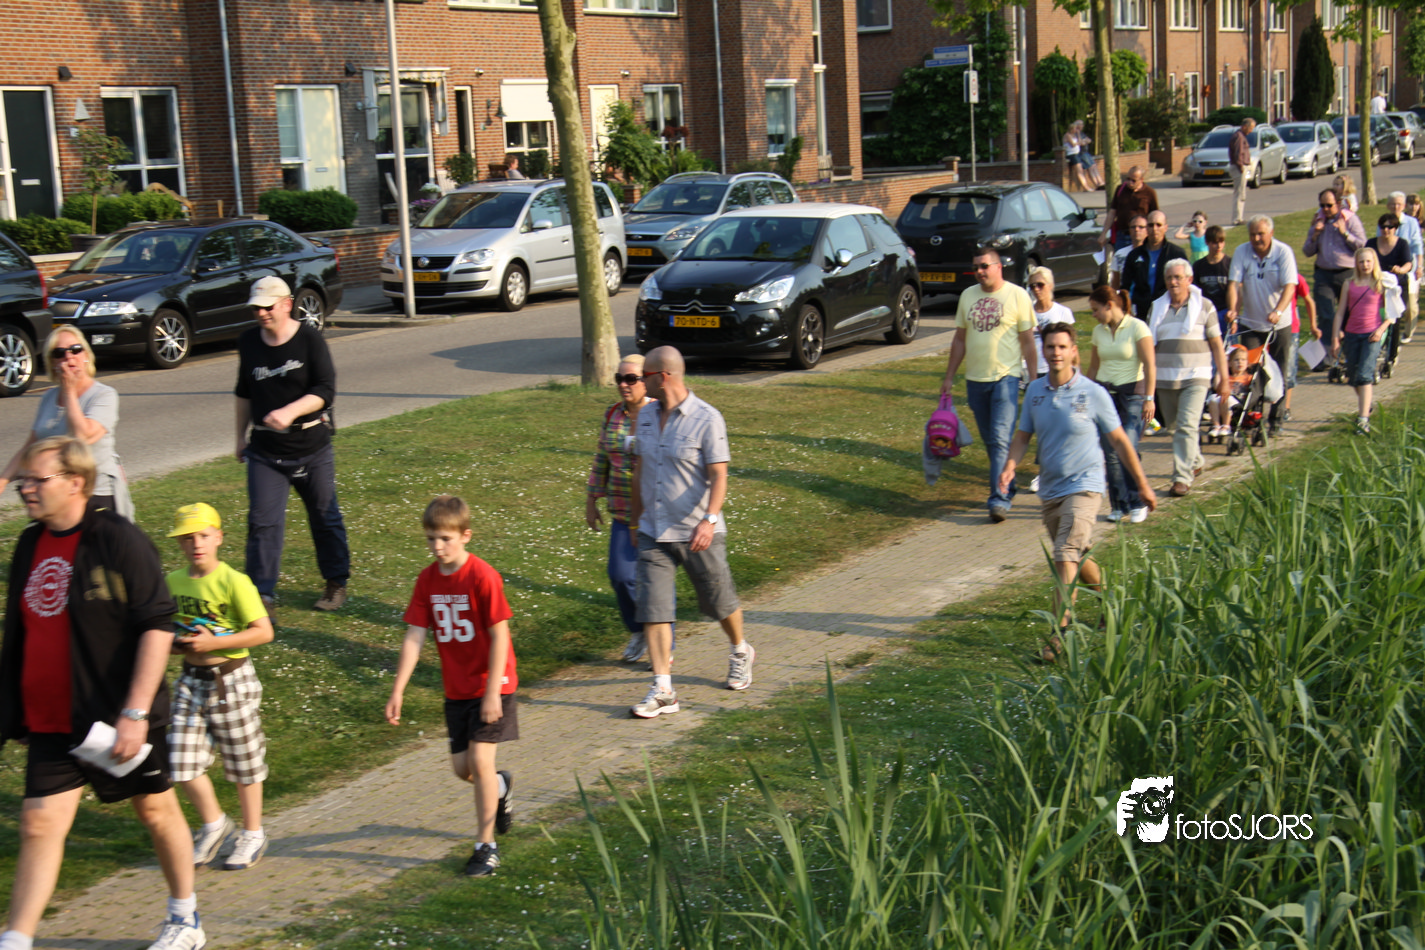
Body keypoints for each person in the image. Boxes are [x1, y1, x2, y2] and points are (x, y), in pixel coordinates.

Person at [0, 437, 205, 950]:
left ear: (76, 482)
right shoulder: (29, 543)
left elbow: (157, 625)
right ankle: (16, 939)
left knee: (155, 811)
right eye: (24, 480)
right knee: (39, 824)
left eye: (37, 480)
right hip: (52, 718)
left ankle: (185, 919)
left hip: (115, 716)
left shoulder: (117, 538)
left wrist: (135, 713)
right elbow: (22, 631)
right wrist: (15, 709)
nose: (26, 489)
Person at [999, 324, 1157, 663]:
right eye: (1050, 347)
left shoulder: (1092, 393)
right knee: (1077, 555)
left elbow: (1119, 440)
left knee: (1064, 555)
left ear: (1074, 351)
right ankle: (1111, 604)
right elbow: (1023, 435)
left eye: (1062, 347)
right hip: (1051, 489)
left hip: (1085, 486)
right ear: (1044, 351)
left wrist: (1142, 484)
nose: (1056, 352)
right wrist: (1010, 466)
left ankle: (1059, 634)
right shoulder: (1036, 391)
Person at [386, 495, 518, 877]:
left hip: (493, 684)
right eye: (431, 539)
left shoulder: (482, 576)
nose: (437, 547)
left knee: (480, 759)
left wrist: (493, 692)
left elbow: (500, 636)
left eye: (445, 538)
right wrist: (398, 689)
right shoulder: (427, 580)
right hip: (457, 688)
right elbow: (415, 636)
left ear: (465, 536)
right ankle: (500, 788)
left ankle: (485, 847)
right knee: (464, 770)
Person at [628, 346, 753, 718]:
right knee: (654, 610)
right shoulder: (645, 416)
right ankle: (663, 689)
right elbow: (639, 470)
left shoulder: (707, 418)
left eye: (644, 376)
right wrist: (635, 521)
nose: (639, 382)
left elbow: (719, 475)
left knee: (719, 603)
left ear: (663, 376)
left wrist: (709, 520)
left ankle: (740, 650)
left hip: (697, 531)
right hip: (653, 531)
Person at [165, 503, 274, 872]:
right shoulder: (173, 582)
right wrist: (176, 644)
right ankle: (214, 824)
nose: (196, 544)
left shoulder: (234, 581)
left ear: (219, 538)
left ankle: (252, 832)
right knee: (180, 761)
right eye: (188, 538)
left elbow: (263, 631)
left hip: (231, 680)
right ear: (179, 543)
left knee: (244, 762)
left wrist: (214, 643)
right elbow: (165, 629)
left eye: (203, 535)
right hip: (190, 681)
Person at [235, 276, 350, 614]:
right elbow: (243, 391)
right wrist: (238, 437)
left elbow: (325, 390)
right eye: (255, 309)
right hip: (266, 451)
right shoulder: (248, 342)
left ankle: (335, 583)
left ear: (287, 304)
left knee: (325, 517)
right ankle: (262, 596)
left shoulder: (309, 339)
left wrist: (290, 411)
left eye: (267, 307)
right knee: (263, 522)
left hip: (311, 446)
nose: (261, 314)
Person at [940, 248, 1038, 522]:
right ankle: (1009, 483)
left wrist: (1034, 379)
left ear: (998, 266)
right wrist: (949, 376)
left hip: (1006, 378)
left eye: (984, 266)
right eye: (976, 267)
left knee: (999, 439)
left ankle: (998, 499)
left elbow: (1028, 342)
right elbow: (960, 339)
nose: (980, 272)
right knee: (992, 442)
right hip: (975, 380)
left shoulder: (1017, 295)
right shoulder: (967, 296)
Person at [585, 354, 672, 663]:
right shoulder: (613, 414)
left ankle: (664, 647)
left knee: (655, 581)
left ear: (646, 380)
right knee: (620, 576)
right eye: (619, 379)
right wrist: (592, 499)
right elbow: (602, 457)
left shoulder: (661, 412)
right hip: (623, 513)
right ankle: (639, 630)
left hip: (656, 514)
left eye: (631, 379)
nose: (623, 384)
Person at [0, 328, 133, 519]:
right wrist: (4, 480)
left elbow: (82, 437)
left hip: (95, 493)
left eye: (75, 349)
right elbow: (31, 447)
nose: (68, 356)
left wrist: (69, 391)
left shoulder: (103, 395)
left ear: (86, 355)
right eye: (59, 353)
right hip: (57, 496)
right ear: (52, 363)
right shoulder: (49, 397)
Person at [1152, 259, 1230, 497]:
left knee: (1186, 426)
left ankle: (1181, 478)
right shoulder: (1157, 308)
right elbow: (1149, 345)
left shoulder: (1205, 306)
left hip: (1196, 376)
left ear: (1189, 279)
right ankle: (1195, 461)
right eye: (1169, 278)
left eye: (1178, 277)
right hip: (1165, 377)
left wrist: (1223, 377)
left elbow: (1217, 344)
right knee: (1175, 429)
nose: (1173, 282)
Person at [1086, 286, 1156, 523]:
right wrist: (1085, 394)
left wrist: (1149, 398)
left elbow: (1150, 365)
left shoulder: (1138, 327)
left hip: (1133, 395)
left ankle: (1137, 501)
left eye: (1096, 310)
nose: (1093, 315)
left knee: (1127, 446)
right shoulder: (1098, 331)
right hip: (1106, 395)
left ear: (1109, 305)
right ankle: (1119, 504)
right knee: (1111, 452)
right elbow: (1094, 366)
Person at [1227, 215, 1298, 436]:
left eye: (1261, 234)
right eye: (1253, 234)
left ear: (1271, 233)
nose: (1257, 239)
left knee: (1279, 370)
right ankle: (1251, 417)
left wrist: (1278, 311)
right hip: (1251, 322)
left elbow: (1290, 286)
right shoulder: (1242, 252)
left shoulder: (1283, 252)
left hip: (1278, 324)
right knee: (1248, 370)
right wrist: (1233, 310)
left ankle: (1276, 419)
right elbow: (1234, 284)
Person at [1331, 248, 1397, 435]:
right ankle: (1366, 405)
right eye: (1361, 262)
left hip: (1372, 334)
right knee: (1353, 378)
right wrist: (1335, 337)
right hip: (1352, 334)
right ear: (1356, 264)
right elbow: (1340, 312)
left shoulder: (1380, 283)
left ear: (1374, 262)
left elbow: (1391, 314)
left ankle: (1363, 420)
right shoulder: (1349, 284)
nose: (1365, 265)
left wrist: (1380, 331)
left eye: (1368, 261)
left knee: (1365, 376)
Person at [1304, 188, 1367, 345]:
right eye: (1322, 205)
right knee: (1325, 314)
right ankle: (1327, 351)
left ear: (1338, 204)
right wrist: (1315, 235)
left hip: (1347, 273)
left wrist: (1345, 233)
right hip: (1324, 274)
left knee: (1349, 313)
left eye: (1329, 205)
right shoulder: (1318, 221)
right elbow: (1307, 251)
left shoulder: (1350, 220)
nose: (1325, 209)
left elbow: (1362, 246)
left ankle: (1349, 348)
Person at [1121, 211, 1188, 321]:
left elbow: (1187, 284)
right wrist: (1126, 310)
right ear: (1147, 228)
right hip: (1141, 311)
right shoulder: (1134, 255)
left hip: (1168, 310)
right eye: (1151, 225)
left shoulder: (1176, 253)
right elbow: (1125, 287)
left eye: (1158, 225)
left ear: (1165, 227)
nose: (1154, 229)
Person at [1385, 192, 1423, 342]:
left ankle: (1408, 332)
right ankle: (1390, 338)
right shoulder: (1385, 221)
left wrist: (1419, 267)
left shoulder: (1411, 222)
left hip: (1409, 270)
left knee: (1410, 306)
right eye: (1393, 204)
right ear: (1388, 206)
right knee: (1389, 305)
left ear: (1404, 206)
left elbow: (1417, 246)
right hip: (1390, 271)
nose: (1396, 207)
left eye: (1399, 204)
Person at [1100, 166, 1159, 250]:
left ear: (1141, 179)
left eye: (1133, 180)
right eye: (1128, 179)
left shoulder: (1149, 192)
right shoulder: (1120, 189)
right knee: (1121, 257)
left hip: (1140, 236)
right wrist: (1104, 233)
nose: (1130, 183)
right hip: (1122, 235)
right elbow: (1112, 213)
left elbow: (1155, 217)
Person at [1207, 345, 1254, 436]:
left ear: (1247, 363)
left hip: (1238, 401)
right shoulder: (1226, 377)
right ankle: (1216, 426)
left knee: (1225, 398)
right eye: (1236, 360)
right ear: (1229, 364)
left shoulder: (1249, 377)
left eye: (1243, 360)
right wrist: (1220, 371)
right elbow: (1216, 387)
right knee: (1212, 398)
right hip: (1223, 398)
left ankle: (1226, 426)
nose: (1240, 362)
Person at [1193, 225, 1232, 335]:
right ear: (1207, 242)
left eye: (1221, 242)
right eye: (1215, 242)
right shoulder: (1198, 266)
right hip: (1206, 312)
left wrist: (1232, 313)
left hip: (1225, 312)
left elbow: (1235, 290)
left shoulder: (1230, 264)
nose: (1219, 246)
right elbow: (1195, 292)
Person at [1227, 117, 1256, 227]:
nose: (1251, 131)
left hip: (1240, 167)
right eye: (1250, 128)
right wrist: (1241, 167)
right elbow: (1238, 153)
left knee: (1241, 193)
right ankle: (1237, 219)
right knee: (1239, 194)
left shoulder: (1240, 136)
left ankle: (1239, 217)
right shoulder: (1239, 137)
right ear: (1244, 126)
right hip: (1239, 168)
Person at [1110, 217, 1147, 291]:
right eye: (1133, 227)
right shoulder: (1119, 254)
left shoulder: (1154, 253)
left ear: (1147, 230)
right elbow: (1115, 284)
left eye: (1141, 227)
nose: (1136, 230)